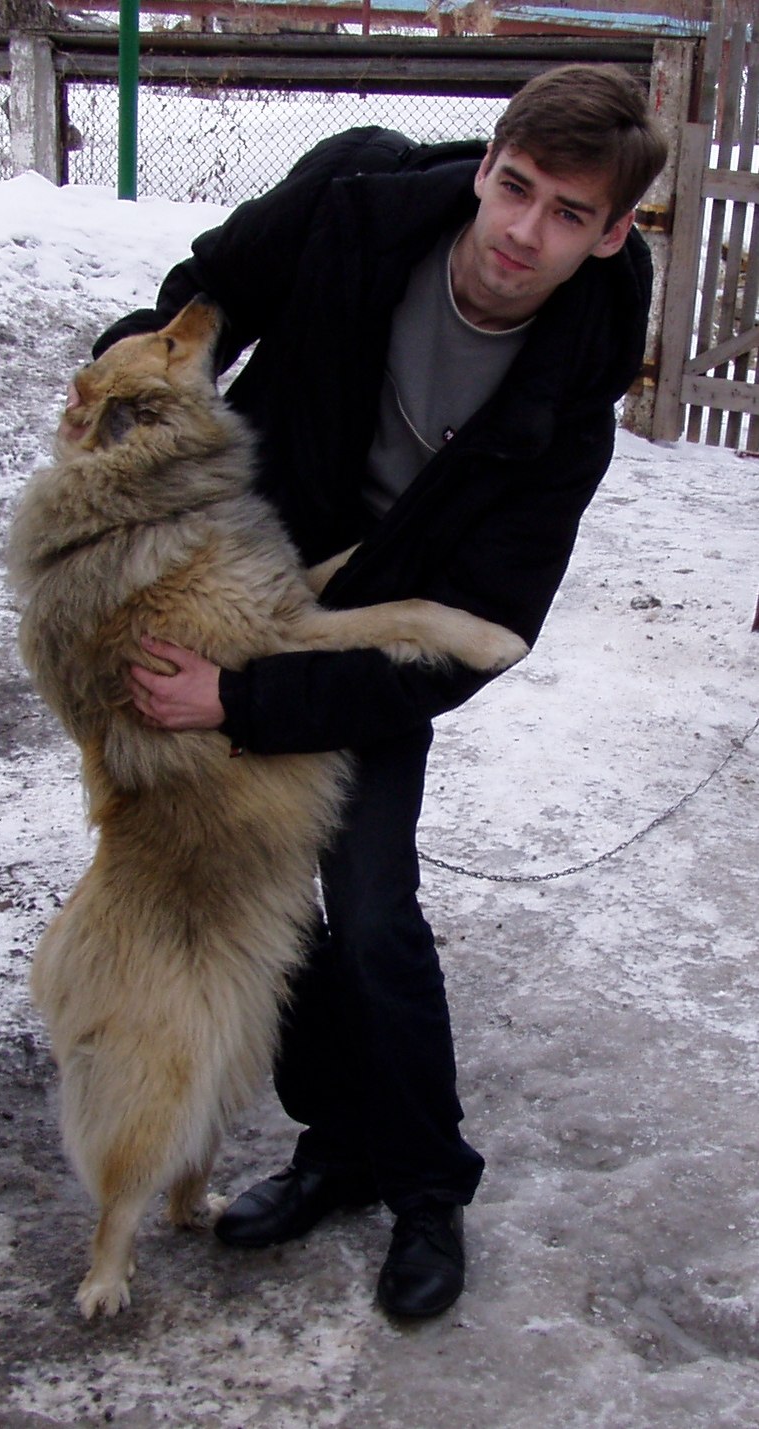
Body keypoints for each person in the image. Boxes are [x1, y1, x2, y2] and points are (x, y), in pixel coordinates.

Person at [92, 64, 668, 1318]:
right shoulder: (354, 198)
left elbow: (477, 637)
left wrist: (245, 708)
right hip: (229, 573)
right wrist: (132, 398)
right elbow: (211, 290)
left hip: (367, 648)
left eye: (567, 214)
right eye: (515, 187)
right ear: (486, 164)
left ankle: (424, 1184)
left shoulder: (570, 397)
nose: (522, 231)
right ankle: (337, 1146)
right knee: (263, 897)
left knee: (367, 910)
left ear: (610, 231)